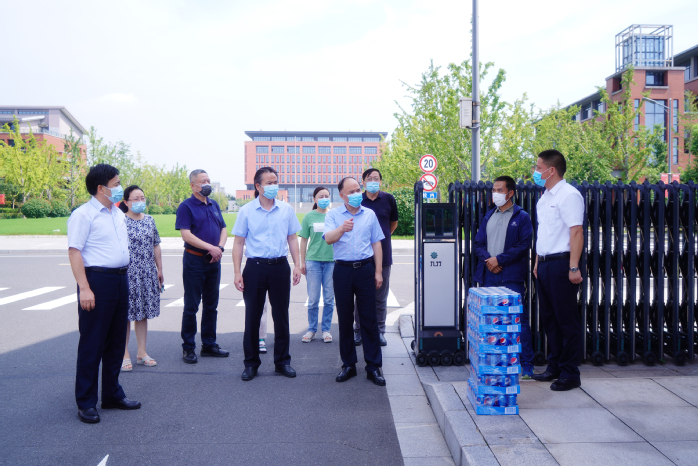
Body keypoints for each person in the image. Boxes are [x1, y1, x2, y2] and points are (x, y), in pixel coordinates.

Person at [67, 163, 141, 424]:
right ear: (101, 188)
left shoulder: (116, 212)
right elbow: (74, 252)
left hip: (120, 279)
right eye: (116, 184)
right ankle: (86, 402)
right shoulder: (83, 215)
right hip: (97, 281)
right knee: (92, 343)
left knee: (116, 341)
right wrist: (85, 288)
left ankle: (112, 394)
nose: (120, 187)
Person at [233, 167, 302, 381]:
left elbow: (292, 238)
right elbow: (238, 243)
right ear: (258, 186)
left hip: (280, 267)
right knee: (252, 317)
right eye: (269, 183)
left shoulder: (286, 209)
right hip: (255, 267)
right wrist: (237, 272)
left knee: (281, 316)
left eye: (275, 182)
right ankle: (251, 363)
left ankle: (282, 362)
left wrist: (297, 265)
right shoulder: (246, 211)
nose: (274, 186)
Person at [531, 149, 585, 391]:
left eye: (538, 167)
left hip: (562, 264)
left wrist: (573, 266)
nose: (535, 172)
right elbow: (544, 233)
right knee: (550, 320)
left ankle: (570, 373)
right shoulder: (544, 198)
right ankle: (554, 366)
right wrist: (537, 261)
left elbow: (576, 232)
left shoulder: (569, 195)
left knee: (566, 321)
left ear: (551, 170)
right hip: (544, 264)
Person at [324, 177, 386, 386]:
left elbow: (376, 243)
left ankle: (373, 366)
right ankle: (348, 364)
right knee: (345, 319)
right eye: (351, 192)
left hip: (365, 269)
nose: (356, 194)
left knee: (369, 319)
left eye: (358, 189)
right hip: (342, 270)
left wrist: (378, 271)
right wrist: (341, 229)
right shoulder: (333, 215)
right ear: (342, 195)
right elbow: (328, 238)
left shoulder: (369, 214)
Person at [472, 176, 534, 378]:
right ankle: (495, 363)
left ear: (510, 193)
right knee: (491, 320)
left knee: (518, 321)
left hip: (511, 277)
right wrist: (489, 260)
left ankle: (526, 364)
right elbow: (478, 243)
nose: (495, 194)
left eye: (500, 190)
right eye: (494, 190)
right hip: (489, 275)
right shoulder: (489, 216)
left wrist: (499, 260)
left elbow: (524, 245)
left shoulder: (521, 217)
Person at [175, 169, 229, 364]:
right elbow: (186, 234)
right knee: (191, 306)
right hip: (195, 261)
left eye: (208, 180)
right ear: (193, 185)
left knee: (211, 305)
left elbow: (223, 228)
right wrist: (210, 248)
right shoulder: (186, 206)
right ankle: (188, 347)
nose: (207, 184)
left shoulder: (213, 204)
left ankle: (209, 344)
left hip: (214, 261)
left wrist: (219, 248)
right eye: (203, 181)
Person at [119, 185, 163, 371]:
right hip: (128, 273)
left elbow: (156, 244)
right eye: (135, 199)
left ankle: (142, 353)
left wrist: (159, 269)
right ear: (126, 202)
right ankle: (124, 355)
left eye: (142, 198)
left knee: (143, 313)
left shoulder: (150, 220)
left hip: (147, 272)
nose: (140, 202)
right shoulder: (120, 221)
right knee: (126, 315)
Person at [353, 168, 398, 347]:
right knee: (360, 296)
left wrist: (380, 239)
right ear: (363, 182)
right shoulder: (357, 199)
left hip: (384, 254)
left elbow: (393, 224)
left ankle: (379, 331)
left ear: (380, 181)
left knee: (380, 297)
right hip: (361, 255)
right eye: (369, 178)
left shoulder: (389, 199)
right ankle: (358, 330)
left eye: (376, 178)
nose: (373, 181)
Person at [299, 187, 336, 344]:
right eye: (321, 196)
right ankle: (312, 329)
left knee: (329, 299)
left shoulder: (334, 215)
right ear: (314, 199)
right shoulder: (309, 216)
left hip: (332, 261)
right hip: (313, 261)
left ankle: (326, 330)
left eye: (327, 196)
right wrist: (302, 262)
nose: (324, 198)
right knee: (313, 299)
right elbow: (303, 240)